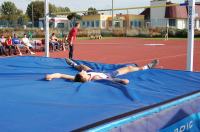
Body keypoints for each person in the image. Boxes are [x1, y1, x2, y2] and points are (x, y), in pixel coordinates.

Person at [46, 59, 159, 85]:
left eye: (81, 73)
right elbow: (109, 80)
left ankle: (74, 64)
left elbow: (60, 75)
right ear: (85, 78)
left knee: (83, 66)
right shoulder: (94, 79)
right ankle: (146, 67)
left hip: (93, 71)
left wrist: (51, 76)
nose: (82, 73)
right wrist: (122, 80)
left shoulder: (77, 77)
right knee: (128, 68)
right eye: (82, 73)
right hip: (108, 74)